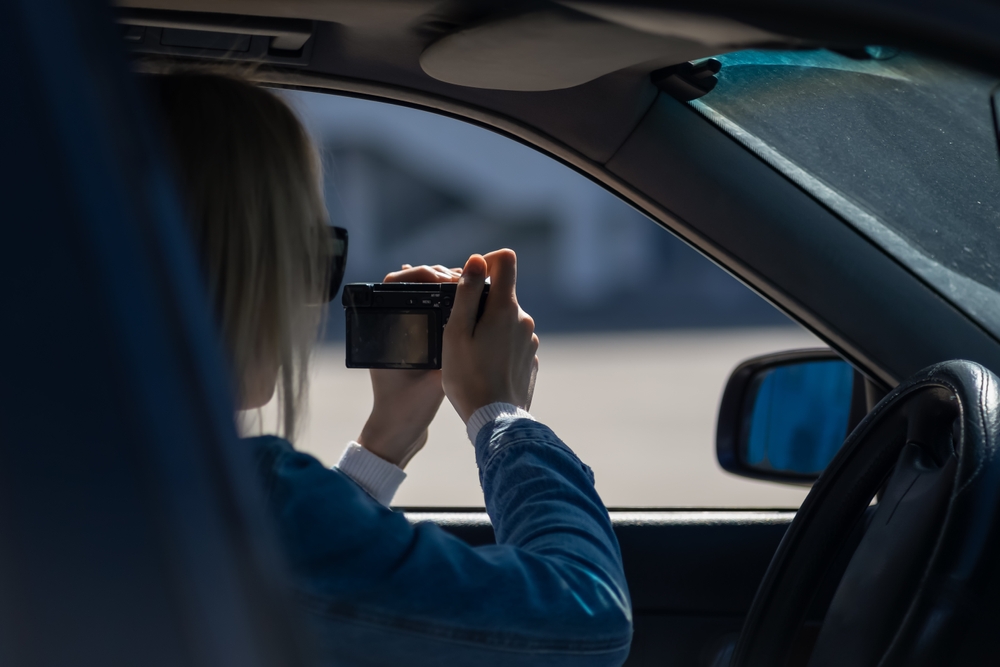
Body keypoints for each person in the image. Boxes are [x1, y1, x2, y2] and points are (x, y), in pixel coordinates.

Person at [151, 70, 632, 666]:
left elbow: (318, 588)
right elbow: (586, 624)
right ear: (227, 268)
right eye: (306, 256)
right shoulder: (243, 502)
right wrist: (502, 415)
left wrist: (388, 438)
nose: (307, 298)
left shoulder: (109, 478)